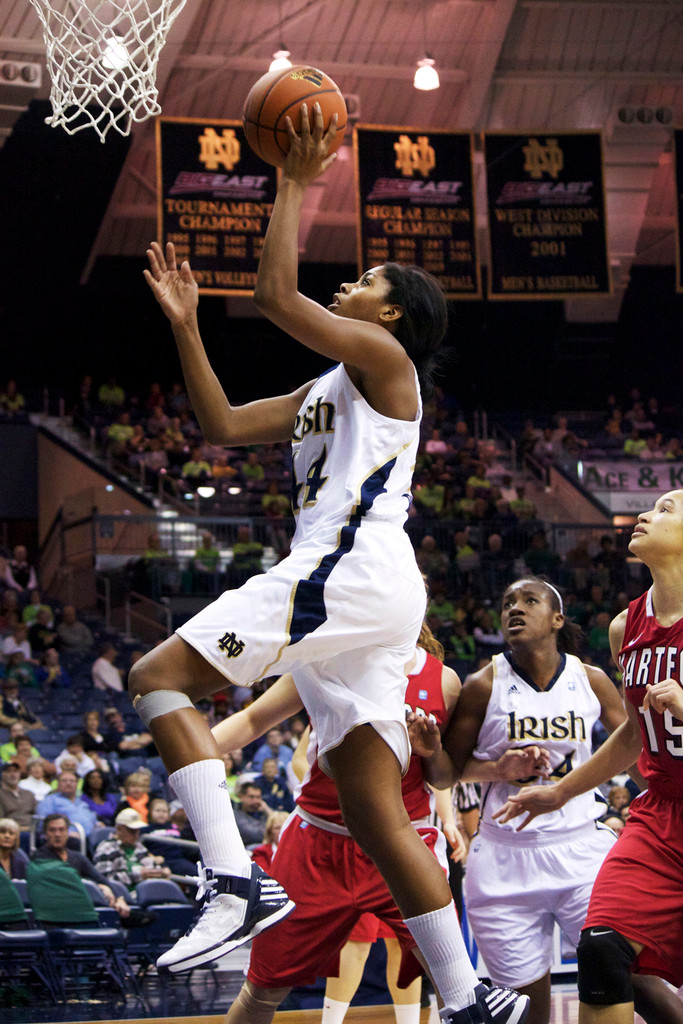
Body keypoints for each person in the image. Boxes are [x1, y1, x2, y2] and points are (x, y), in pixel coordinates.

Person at [135, 108, 523, 1024]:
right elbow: (222, 426)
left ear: (390, 313)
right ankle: (468, 1002)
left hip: (347, 571)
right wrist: (188, 327)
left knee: (159, 678)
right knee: (375, 809)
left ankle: (234, 883)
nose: (347, 284)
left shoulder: (387, 361)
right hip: (366, 587)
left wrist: (298, 182)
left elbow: (277, 300)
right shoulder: (326, 391)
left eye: (362, 279)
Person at [418, 576, 645, 1024]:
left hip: (583, 850)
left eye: (529, 600)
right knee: (523, 1012)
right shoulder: (484, 683)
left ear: (557, 618)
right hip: (505, 860)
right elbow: (444, 773)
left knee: (630, 978)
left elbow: (637, 745)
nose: (514, 609)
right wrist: (491, 766)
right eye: (506, 603)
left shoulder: (591, 680)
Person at [494, 491, 683, 1024]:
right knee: (601, 946)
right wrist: (561, 790)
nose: (647, 515)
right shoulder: (627, 626)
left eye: (667, 509)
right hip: (661, 814)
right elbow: (632, 735)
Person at [214, 622, 463, 1024]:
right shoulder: (322, 659)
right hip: (317, 840)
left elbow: (444, 776)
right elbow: (252, 720)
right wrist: (188, 753)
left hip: (403, 843)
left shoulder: (445, 681)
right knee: (262, 990)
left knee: (458, 986)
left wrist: (433, 754)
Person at [32, 813, 152, 927]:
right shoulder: (39, 857)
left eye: (62, 830)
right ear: (45, 834)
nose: (57, 834)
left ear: (68, 832)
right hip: (58, 907)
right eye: (52, 830)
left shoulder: (77, 857)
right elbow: (64, 881)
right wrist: (99, 887)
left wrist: (119, 898)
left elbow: (101, 878)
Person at [93, 807, 172, 893]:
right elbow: (105, 880)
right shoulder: (106, 848)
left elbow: (151, 866)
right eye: (132, 831)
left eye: (138, 831)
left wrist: (161, 871)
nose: (136, 835)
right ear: (119, 829)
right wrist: (138, 876)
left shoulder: (139, 846)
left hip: (148, 892)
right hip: (122, 896)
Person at [37, 769, 98, 835]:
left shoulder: (82, 803)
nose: (68, 783)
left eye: (72, 781)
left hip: (89, 838)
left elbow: (92, 820)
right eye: (64, 781)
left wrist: (98, 824)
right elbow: (43, 824)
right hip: (65, 839)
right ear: (58, 783)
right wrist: (67, 834)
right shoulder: (49, 801)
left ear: (77, 784)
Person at [0, 760, 36, 834]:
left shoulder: (29, 794)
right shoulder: (1, 795)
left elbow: (37, 815)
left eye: (15, 771)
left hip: (33, 830)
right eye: (8, 771)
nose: (13, 774)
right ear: (2, 774)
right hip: (10, 832)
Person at [232, 782, 268, 847]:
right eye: (251, 797)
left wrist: (267, 810)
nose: (256, 801)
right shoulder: (235, 814)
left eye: (258, 797)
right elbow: (252, 835)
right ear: (241, 797)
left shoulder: (264, 812)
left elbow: (282, 830)